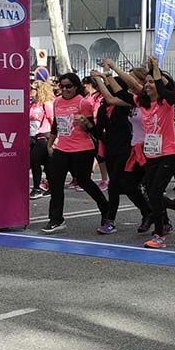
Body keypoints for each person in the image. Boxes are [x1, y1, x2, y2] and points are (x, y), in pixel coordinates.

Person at [87, 65, 154, 235]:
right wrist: (87, 125)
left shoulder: (129, 102)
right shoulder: (104, 108)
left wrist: (106, 74)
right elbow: (106, 104)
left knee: (121, 185)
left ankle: (111, 220)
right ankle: (151, 213)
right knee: (125, 186)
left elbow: (112, 97)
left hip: (130, 148)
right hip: (112, 149)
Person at [40, 73, 110, 234]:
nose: (65, 89)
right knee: (56, 183)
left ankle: (106, 210)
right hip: (62, 149)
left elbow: (92, 129)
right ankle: (56, 219)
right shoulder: (57, 102)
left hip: (82, 149)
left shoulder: (83, 103)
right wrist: (50, 144)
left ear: (76, 87)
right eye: (62, 86)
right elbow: (56, 126)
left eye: (68, 86)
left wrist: (84, 123)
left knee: (84, 181)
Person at [138, 57, 175, 249]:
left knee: (155, 192)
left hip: (168, 154)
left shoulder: (166, 102)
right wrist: (111, 72)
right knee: (150, 193)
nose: (149, 85)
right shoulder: (142, 102)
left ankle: (159, 234)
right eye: (147, 82)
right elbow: (129, 86)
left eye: (153, 82)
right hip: (151, 154)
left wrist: (156, 68)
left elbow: (165, 88)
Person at [29, 80, 54, 199]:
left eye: (32, 88)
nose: (30, 90)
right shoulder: (32, 104)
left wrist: (55, 139)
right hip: (32, 137)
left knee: (35, 162)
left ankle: (37, 188)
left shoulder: (47, 104)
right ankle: (51, 186)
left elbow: (53, 121)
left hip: (44, 136)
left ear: (39, 90)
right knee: (46, 165)